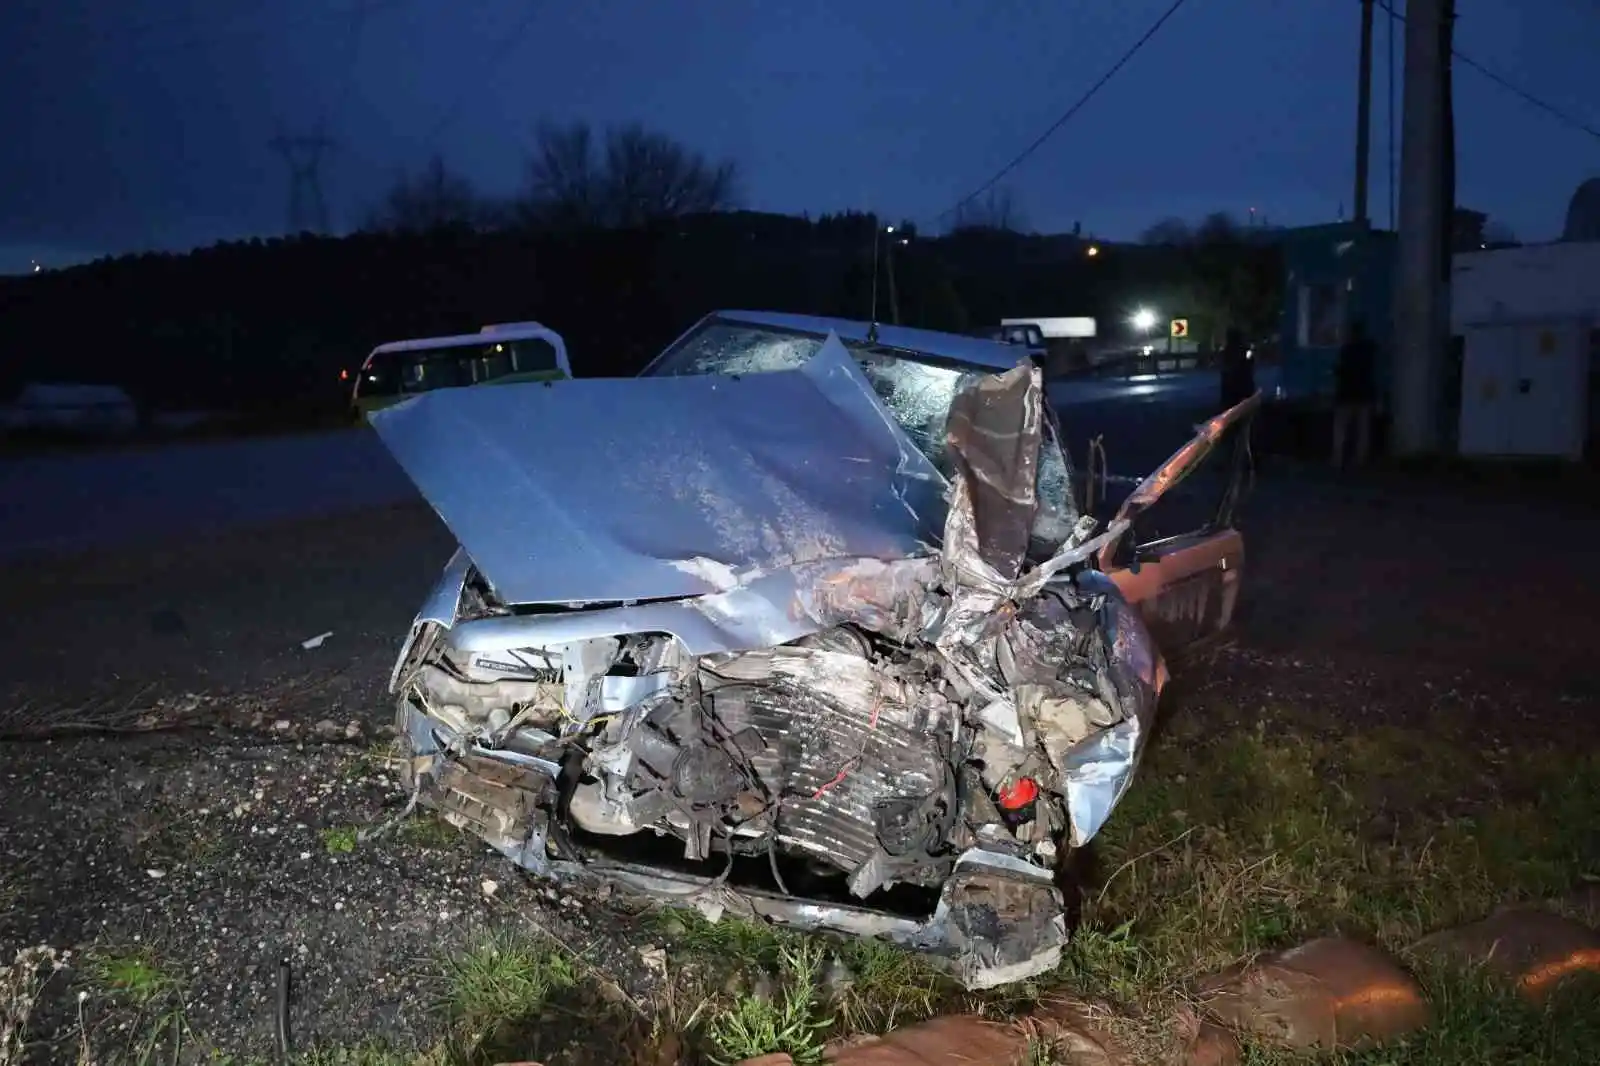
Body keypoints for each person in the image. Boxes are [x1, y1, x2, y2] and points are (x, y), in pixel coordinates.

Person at [1332, 321, 1378, 468]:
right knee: (1363, 429)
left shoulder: (1347, 350)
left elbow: (1340, 370)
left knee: (1341, 428)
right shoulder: (1368, 350)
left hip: (1346, 394)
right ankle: (1360, 459)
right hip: (1363, 393)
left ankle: (1338, 458)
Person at [1218, 327, 1254, 410]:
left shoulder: (1226, 351)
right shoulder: (1244, 350)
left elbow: (1224, 366)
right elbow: (1250, 360)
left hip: (1233, 384)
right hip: (1242, 382)